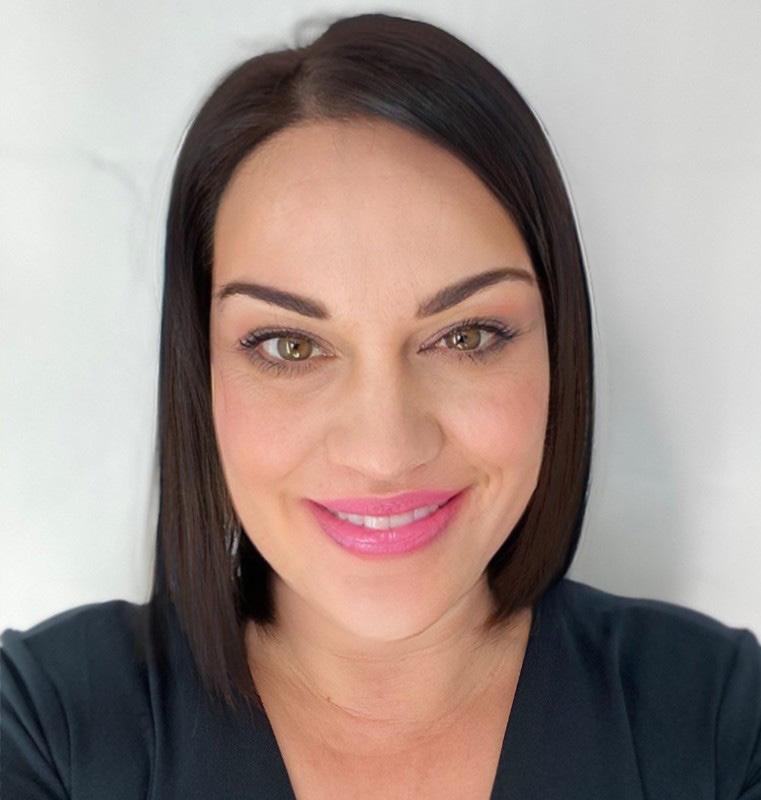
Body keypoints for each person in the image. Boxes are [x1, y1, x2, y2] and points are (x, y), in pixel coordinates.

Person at [2, 12, 759, 799]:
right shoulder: (44, 727)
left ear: (558, 345)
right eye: (290, 346)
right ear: (201, 370)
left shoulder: (719, 724)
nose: (384, 450)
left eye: (465, 336)